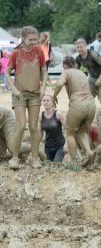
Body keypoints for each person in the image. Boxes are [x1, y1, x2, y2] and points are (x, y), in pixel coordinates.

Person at [5, 26, 48, 169]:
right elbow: (6, 73)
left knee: (34, 127)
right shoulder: (16, 53)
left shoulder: (39, 52)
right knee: (21, 125)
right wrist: (14, 89)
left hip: (35, 94)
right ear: (23, 39)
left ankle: (35, 158)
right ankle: (15, 158)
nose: (34, 42)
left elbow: (44, 72)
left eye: (36, 39)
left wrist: (43, 88)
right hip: (20, 94)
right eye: (31, 39)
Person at [53, 56, 96, 164]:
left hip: (78, 105)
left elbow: (59, 83)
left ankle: (75, 162)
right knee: (81, 132)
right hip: (91, 105)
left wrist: (54, 96)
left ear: (64, 65)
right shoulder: (81, 73)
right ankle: (89, 152)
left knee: (70, 133)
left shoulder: (66, 72)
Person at [75, 38, 101, 106]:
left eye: (81, 47)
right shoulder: (78, 58)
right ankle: (88, 114)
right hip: (91, 78)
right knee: (88, 99)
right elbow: (75, 71)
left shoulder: (93, 54)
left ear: (86, 46)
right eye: (77, 47)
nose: (79, 49)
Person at [39, 94, 67, 162]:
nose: (45, 102)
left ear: (52, 103)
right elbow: (40, 132)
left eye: (48, 100)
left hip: (60, 146)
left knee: (56, 164)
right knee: (47, 165)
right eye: (44, 101)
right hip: (48, 147)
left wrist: (67, 143)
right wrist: (36, 146)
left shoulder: (58, 114)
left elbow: (69, 129)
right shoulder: (41, 115)